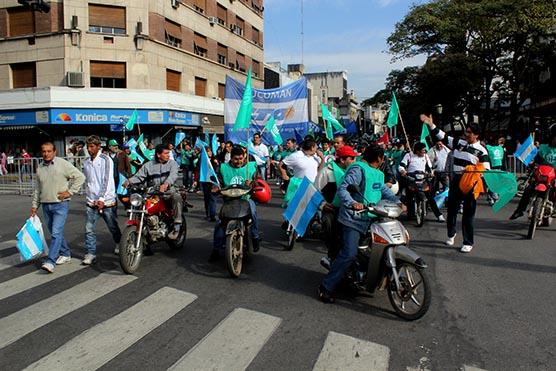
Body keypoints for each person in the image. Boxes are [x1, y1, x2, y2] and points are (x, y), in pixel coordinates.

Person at [318, 145, 402, 303]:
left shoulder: (378, 173)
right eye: (382, 158)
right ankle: (325, 287)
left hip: (372, 218)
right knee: (349, 253)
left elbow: (383, 189)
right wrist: (352, 203)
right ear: (379, 159)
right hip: (353, 219)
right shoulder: (358, 169)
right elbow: (343, 189)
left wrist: (398, 201)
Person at [423, 114, 490, 253]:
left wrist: (472, 170)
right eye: (466, 131)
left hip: (471, 183)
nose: (466, 134)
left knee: (468, 214)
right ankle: (451, 233)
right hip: (456, 180)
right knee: (452, 210)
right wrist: (431, 125)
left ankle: (468, 242)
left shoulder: (482, 151)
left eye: (469, 132)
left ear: (476, 135)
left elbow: (486, 169)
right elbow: (443, 136)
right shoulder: (460, 143)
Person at [31, 142, 85, 273]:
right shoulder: (40, 167)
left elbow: (80, 177)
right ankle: (65, 253)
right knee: (56, 232)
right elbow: (38, 189)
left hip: (60, 204)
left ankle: (50, 261)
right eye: (44, 151)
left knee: (55, 233)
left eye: (49, 151)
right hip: (45, 205)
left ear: (54, 152)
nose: (46, 154)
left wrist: (70, 192)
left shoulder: (62, 164)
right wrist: (34, 206)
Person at [210, 146, 261, 261]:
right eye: (236, 159)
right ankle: (216, 248)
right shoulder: (222, 168)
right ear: (231, 158)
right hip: (229, 200)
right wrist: (215, 187)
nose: (238, 161)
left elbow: (258, 181)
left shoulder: (251, 167)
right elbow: (216, 181)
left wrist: (252, 183)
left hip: (246, 199)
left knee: (253, 214)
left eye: (241, 158)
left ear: (244, 158)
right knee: (220, 222)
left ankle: (255, 237)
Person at [125, 143, 183, 240]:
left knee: (176, 197)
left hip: (168, 191)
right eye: (166, 153)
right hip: (152, 192)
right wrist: (129, 181)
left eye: (168, 153)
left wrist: (166, 184)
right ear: (158, 155)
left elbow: (173, 175)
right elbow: (139, 176)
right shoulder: (148, 165)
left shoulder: (172, 164)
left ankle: (177, 226)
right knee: (141, 204)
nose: (168, 155)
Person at [82, 136, 122, 264]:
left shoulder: (106, 159)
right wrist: (89, 196)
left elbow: (106, 180)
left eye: (92, 146)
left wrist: (101, 198)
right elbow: (88, 180)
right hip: (91, 201)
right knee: (89, 228)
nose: (89, 149)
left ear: (99, 146)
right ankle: (91, 252)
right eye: (88, 146)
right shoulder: (87, 161)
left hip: (106, 200)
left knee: (112, 226)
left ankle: (119, 243)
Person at [314, 145, 358, 260]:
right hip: (332, 210)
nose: (354, 161)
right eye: (351, 158)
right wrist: (322, 205)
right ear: (343, 160)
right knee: (331, 234)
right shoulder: (327, 171)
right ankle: (332, 260)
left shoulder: (355, 171)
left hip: (351, 211)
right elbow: (314, 191)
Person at [510, 127, 556, 220]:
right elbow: (535, 160)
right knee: (528, 189)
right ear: (552, 136)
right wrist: (532, 163)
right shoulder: (542, 148)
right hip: (541, 175)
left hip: (554, 177)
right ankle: (519, 210)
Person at [399, 142, 445, 222]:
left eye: (424, 151)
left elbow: (430, 167)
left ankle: (439, 215)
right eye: (422, 151)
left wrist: (431, 173)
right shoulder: (408, 155)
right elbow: (401, 166)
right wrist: (402, 171)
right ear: (417, 151)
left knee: (430, 197)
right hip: (411, 179)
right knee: (409, 197)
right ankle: (410, 213)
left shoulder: (426, 156)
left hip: (423, 180)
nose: (424, 152)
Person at [200, 146, 218, 222]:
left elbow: (217, 170)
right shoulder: (202, 161)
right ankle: (208, 214)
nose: (209, 153)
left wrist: (216, 163)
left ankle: (213, 215)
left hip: (213, 181)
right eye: (207, 151)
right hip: (205, 182)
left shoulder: (215, 160)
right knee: (207, 198)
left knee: (213, 198)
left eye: (210, 151)